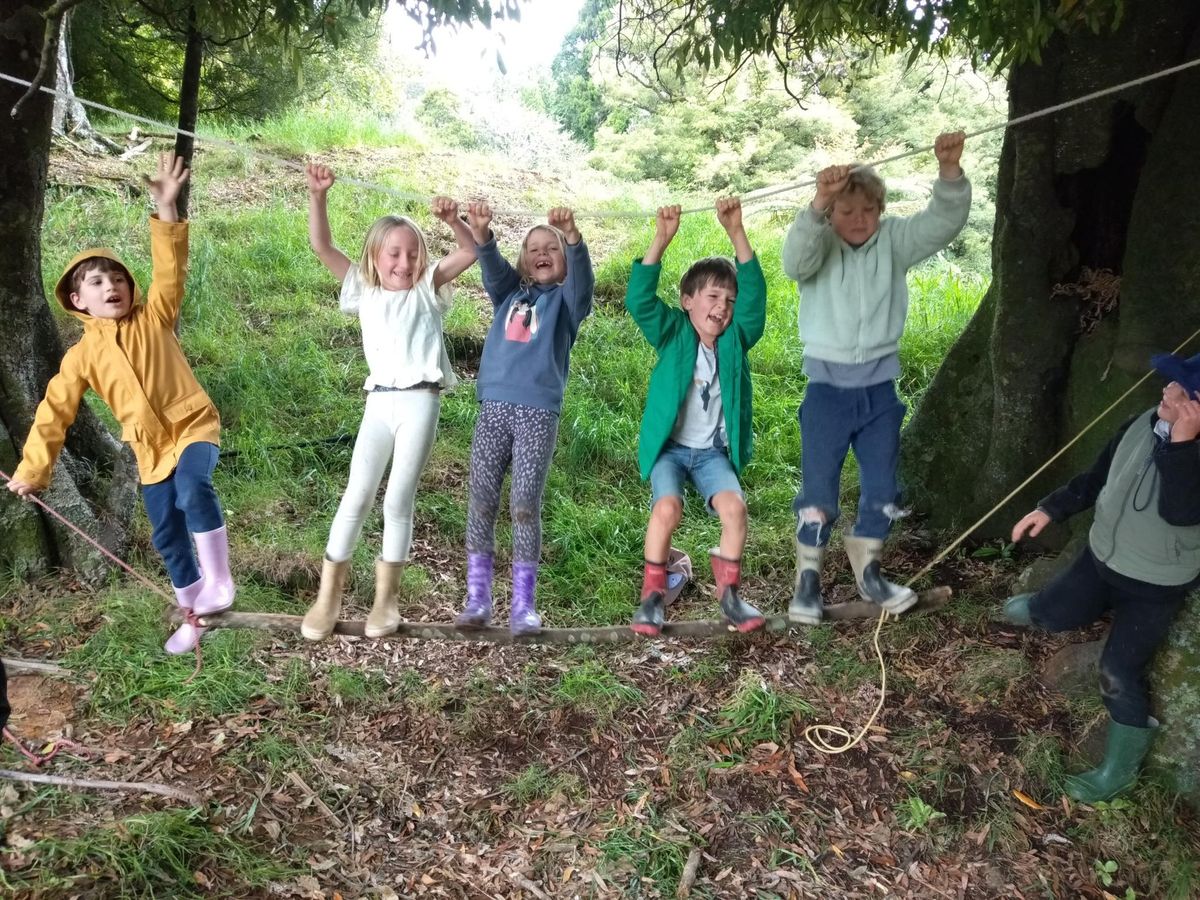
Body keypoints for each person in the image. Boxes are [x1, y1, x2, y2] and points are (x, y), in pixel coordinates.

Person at [6, 153, 231, 656]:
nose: (112, 286)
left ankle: (219, 581)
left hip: (191, 426)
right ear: (76, 300)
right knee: (167, 534)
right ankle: (195, 615)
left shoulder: (156, 317)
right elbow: (53, 412)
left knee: (194, 488)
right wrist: (32, 470)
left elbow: (169, 268)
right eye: (97, 281)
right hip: (149, 451)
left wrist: (166, 210)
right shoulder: (81, 355)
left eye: (118, 278)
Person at [782, 132, 972, 624]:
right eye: (845, 211)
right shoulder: (818, 245)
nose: (858, 220)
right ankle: (808, 582)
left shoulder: (895, 242)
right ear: (831, 215)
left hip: (879, 394)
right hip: (826, 392)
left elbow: (943, 223)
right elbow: (792, 262)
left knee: (884, 490)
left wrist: (949, 171)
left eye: (867, 210)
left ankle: (870, 572)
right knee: (818, 495)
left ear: (880, 210)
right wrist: (819, 202)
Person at [1002, 352, 1200, 803]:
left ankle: (1118, 770)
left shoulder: (1190, 447)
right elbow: (1097, 477)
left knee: (1118, 672)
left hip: (1155, 585)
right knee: (1051, 613)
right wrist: (1050, 508)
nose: (1166, 391)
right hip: (1101, 557)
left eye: (1182, 392)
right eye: (1171, 384)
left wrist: (1183, 445)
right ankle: (1042, 607)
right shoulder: (1142, 421)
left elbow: (1183, 510)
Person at [299, 163, 477, 640]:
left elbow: (469, 251)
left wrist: (453, 220)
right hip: (378, 403)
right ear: (374, 259)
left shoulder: (427, 289)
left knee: (398, 497)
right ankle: (327, 598)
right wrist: (319, 196)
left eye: (412, 252)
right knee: (356, 494)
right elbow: (322, 247)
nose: (403, 262)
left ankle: (386, 601)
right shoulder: (364, 290)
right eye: (393, 253)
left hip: (420, 402)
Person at [627, 199, 768, 635]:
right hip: (670, 450)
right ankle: (652, 597)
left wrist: (737, 231)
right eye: (712, 296)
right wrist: (661, 239)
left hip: (711, 454)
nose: (723, 307)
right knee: (666, 509)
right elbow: (639, 300)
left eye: (729, 299)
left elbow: (755, 299)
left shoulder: (736, 340)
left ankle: (729, 596)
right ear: (688, 301)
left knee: (735, 509)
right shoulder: (672, 332)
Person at [454, 202, 595, 635]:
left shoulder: (567, 304)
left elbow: (582, 281)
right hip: (494, 406)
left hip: (537, 411)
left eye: (550, 247)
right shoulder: (508, 294)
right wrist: (481, 233)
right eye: (533, 247)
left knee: (523, 505)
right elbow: (492, 267)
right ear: (524, 262)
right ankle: (478, 598)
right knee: (481, 498)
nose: (542, 251)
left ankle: (523, 605)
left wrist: (571, 236)